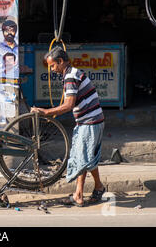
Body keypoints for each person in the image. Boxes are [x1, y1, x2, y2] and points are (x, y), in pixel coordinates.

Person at [31, 46, 105, 207]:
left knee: (83, 157)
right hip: (91, 120)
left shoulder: (70, 77)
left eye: (53, 66)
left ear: (61, 61)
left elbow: (68, 105)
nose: (52, 70)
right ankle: (97, 187)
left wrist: (46, 112)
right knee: (86, 157)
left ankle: (80, 194)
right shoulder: (72, 73)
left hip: (90, 121)